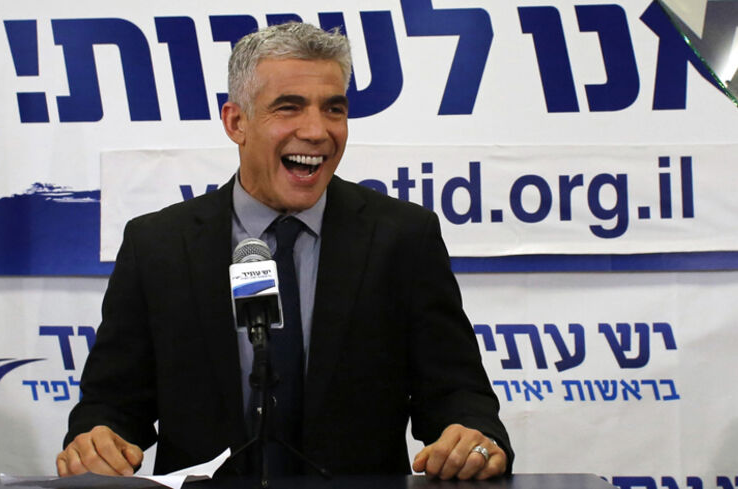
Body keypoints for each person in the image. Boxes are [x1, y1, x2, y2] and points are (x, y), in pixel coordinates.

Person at [56, 22, 513, 481]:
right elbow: (112, 404)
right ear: (237, 122)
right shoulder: (157, 245)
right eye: (289, 108)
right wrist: (96, 437)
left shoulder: (403, 238)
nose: (316, 131)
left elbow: (458, 392)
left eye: (333, 109)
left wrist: (472, 434)